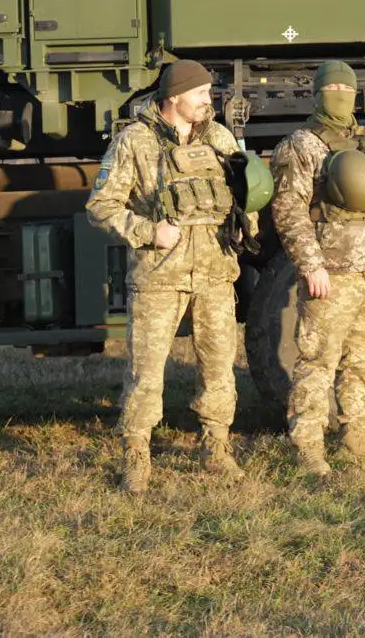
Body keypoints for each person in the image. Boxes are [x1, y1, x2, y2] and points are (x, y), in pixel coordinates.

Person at [86, 59, 251, 493]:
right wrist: (147, 231)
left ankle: (216, 447)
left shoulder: (219, 137)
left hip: (214, 274)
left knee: (219, 368)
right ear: (174, 96)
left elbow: (244, 194)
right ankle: (136, 454)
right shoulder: (134, 141)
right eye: (201, 93)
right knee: (146, 372)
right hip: (159, 277)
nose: (209, 100)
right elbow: (100, 206)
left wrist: (244, 222)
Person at [269, 60, 365, 475]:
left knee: (363, 359)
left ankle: (358, 434)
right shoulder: (301, 145)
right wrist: (310, 264)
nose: (340, 96)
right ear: (317, 94)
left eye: (346, 90)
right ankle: (308, 444)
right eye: (332, 89)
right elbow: (288, 210)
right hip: (330, 273)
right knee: (317, 360)